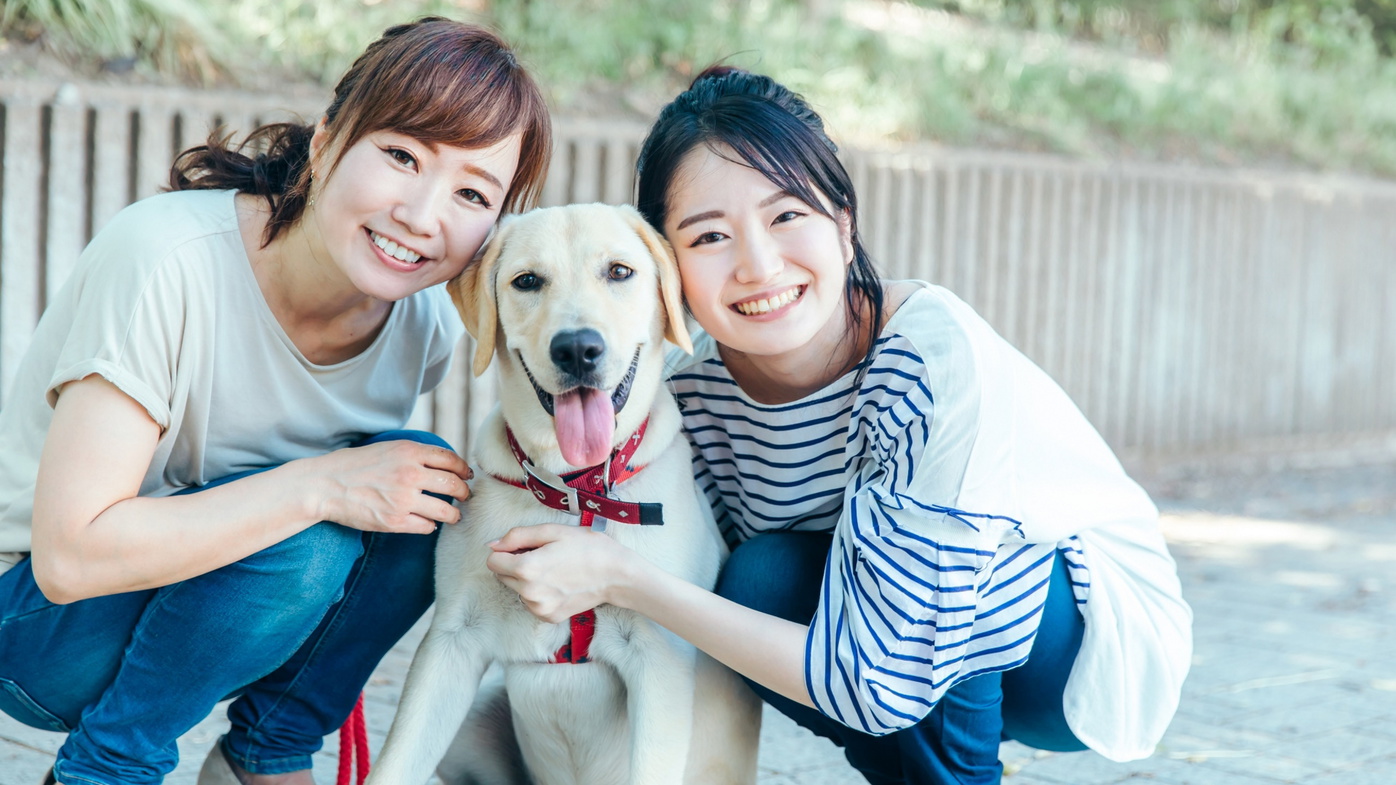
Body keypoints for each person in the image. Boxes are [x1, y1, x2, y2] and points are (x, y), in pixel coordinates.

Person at [484, 66, 1192, 784]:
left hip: (1077, 647)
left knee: (944, 548)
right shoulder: (687, 390)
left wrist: (626, 580)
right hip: (878, 625)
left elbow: (885, 677)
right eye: (710, 236)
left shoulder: (933, 365)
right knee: (757, 579)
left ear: (843, 223)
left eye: (787, 216)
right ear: (667, 267)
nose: (759, 266)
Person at [0, 18, 550, 785]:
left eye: (470, 192)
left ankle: (265, 753)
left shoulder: (423, 322)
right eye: (402, 155)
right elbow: (69, 558)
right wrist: (318, 486)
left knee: (430, 486)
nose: (422, 215)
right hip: (38, 623)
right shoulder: (166, 260)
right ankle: (106, 768)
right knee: (308, 538)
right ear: (326, 142)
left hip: (199, 610)